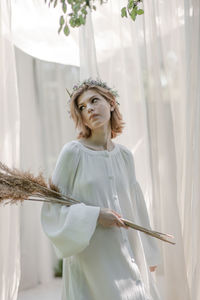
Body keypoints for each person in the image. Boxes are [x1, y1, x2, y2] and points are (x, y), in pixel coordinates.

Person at [41, 78, 162, 300]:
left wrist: (150, 254)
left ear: (112, 103)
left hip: (128, 252)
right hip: (92, 257)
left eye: (94, 100)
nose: (89, 109)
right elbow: (52, 207)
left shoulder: (125, 156)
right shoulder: (72, 153)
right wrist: (95, 214)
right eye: (82, 107)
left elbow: (137, 207)